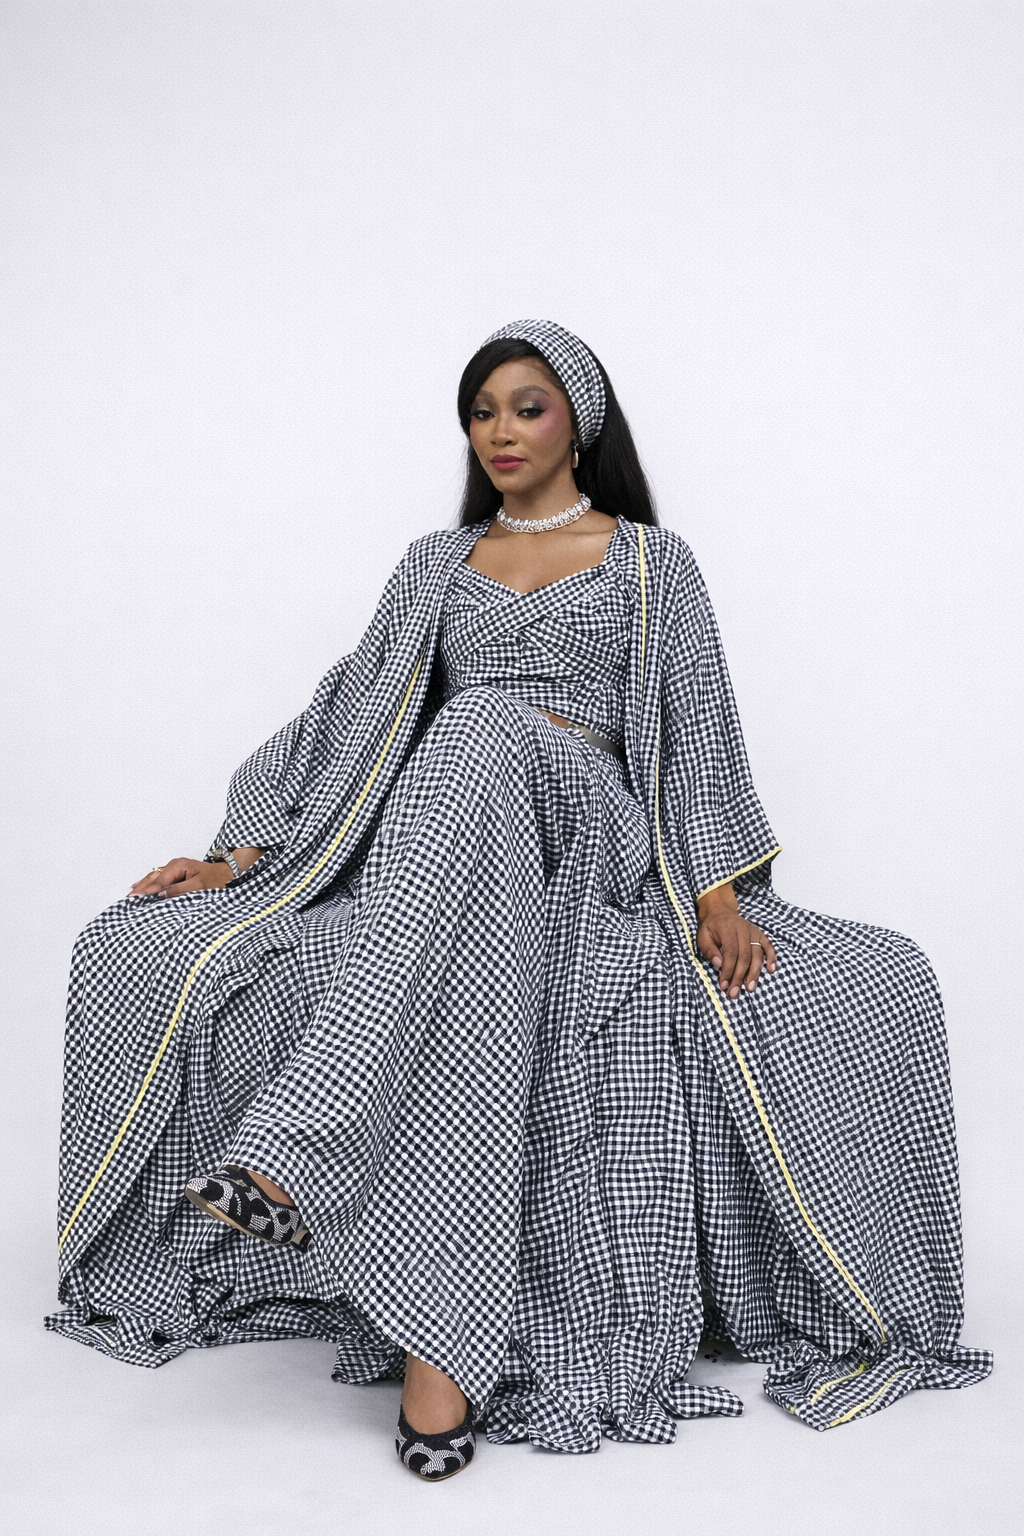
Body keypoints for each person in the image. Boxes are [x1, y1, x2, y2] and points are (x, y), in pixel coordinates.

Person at [51, 320, 990, 1481]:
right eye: (482, 410)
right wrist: (242, 856)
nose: (500, 429)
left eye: (527, 406)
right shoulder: (432, 567)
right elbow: (347, 715)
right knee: (234, 936)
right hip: (458, 836)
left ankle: (298, 1155)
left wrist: (716, 889)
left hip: (592, 826)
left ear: (578, 422)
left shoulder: (650, 563)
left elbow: (695, 727)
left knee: (481, 719)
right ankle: (439, 1362)